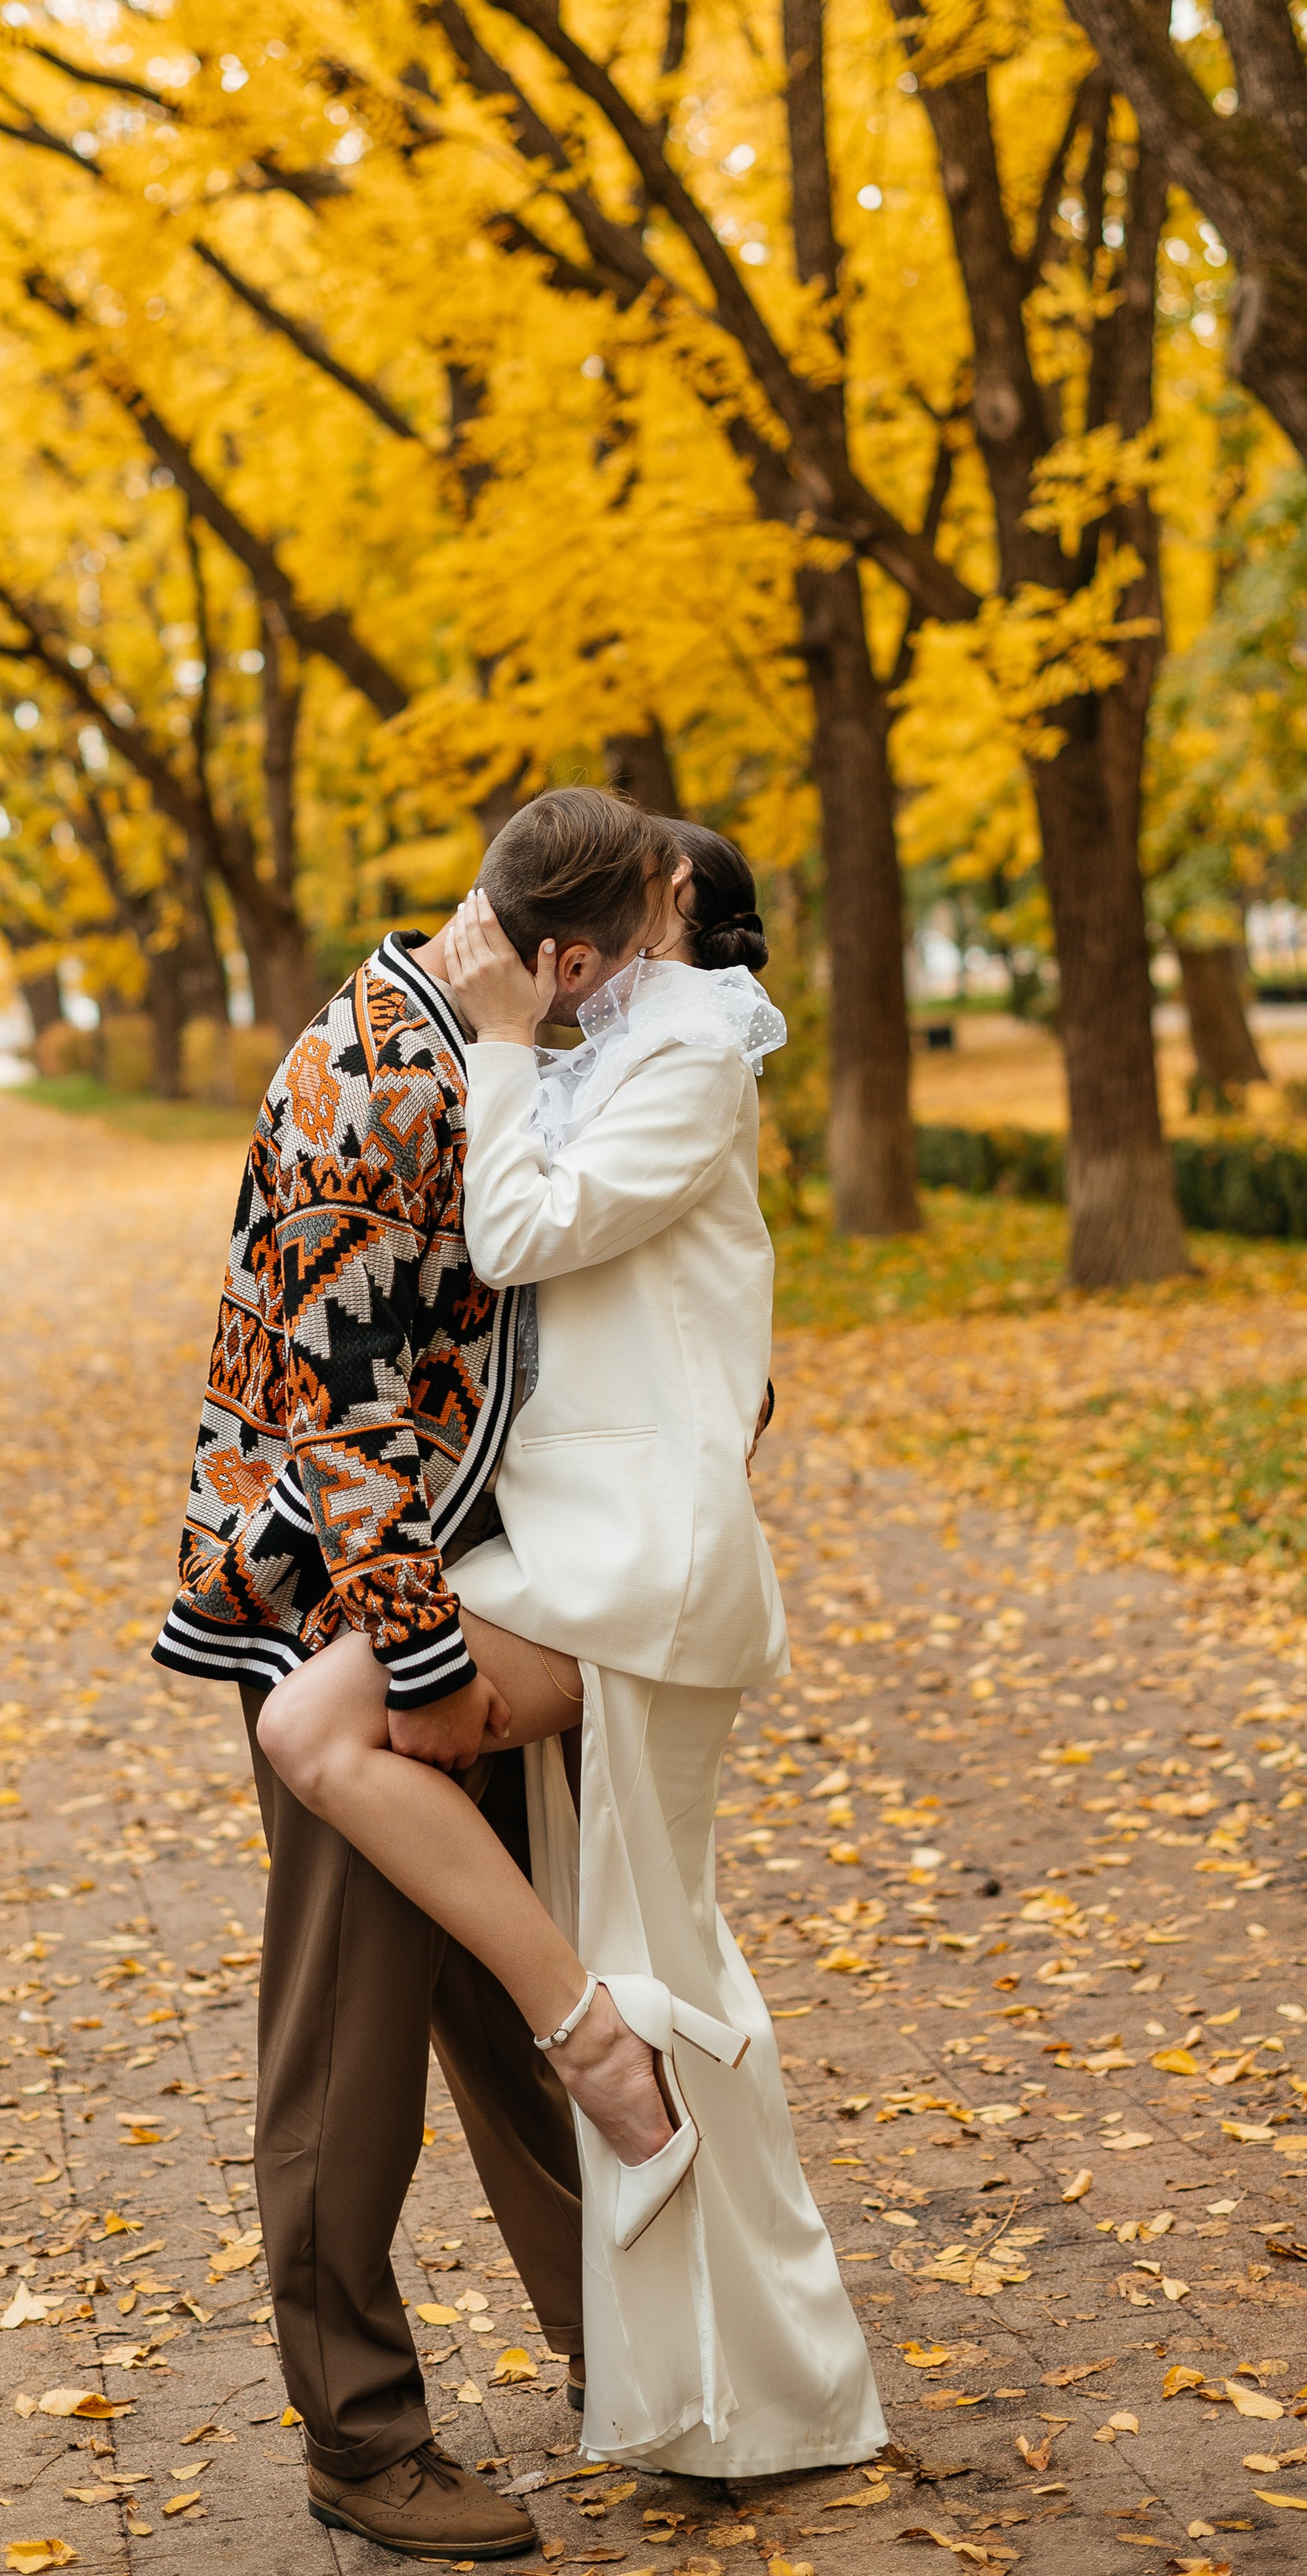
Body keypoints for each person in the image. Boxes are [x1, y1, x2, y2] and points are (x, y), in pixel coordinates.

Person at [259, 816, 884, 2481]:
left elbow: (527, 1240)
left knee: (351, 1751)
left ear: (653, 921)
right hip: (554, 1549)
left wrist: (511, 1031)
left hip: (628, 1566)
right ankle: (720, 2370)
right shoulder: (591, 1040)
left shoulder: (685, 1059)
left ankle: (609, 2076)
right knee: (657, 1934)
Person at [152, 786, 676, 2562]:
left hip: (439, 1581)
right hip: (335, 1606)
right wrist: (427, 1662)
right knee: (346, 2050)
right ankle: (360, 2440)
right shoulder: (375, 1070)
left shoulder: (468, 1027)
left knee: (508, 1992)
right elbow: (347, 1405)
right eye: (621, 978)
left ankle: (625, 2343)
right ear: (560, 952)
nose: (627, 1010)